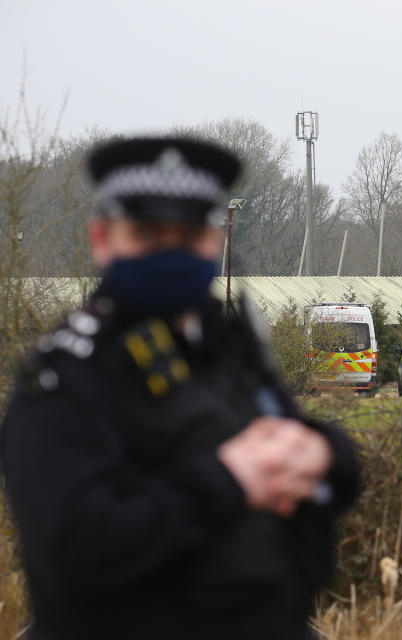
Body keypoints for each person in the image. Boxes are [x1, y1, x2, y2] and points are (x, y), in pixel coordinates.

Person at [0, 137, 360, 640]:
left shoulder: (228, 347)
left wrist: (327, 453)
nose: (171, 251)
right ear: (102, 238)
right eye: (148, 232)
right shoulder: (66, 377)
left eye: (189, 234)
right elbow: (76, 548)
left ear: (216, 240)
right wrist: (229, 480)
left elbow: (309, 459)